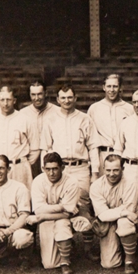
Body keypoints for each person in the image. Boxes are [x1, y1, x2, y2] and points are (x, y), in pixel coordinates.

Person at [43, 84, 101, 253]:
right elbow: (46, 148)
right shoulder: (51, 120)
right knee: (60, 205)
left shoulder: (84, 119)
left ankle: (89, 247)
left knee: (83, 205)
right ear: (57, 100)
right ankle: (65, 242)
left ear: (75, 98)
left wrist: (95, 173)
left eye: (70, 97)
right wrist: (46, 172)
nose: (66, 101)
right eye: (63, 98)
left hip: (80, 168)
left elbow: (93, 147)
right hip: (59, 169)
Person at [26, 152, 84, 274]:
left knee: (62, 225)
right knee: (49, 264)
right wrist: (60, 207)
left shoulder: (72, 182)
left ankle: (65, 262)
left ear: (62, 168)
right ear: (43, 169)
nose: (51, 173)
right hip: (46, 219)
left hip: (62, 219)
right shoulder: (38, 181)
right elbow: (38, 209)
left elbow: (67, 214)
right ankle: (65, 244)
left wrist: (42, 216)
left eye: (55, 169)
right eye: (48, 169)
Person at [89, 154, 138, 273]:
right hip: (108, 223)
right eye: (108, 170)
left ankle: (130, 261)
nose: (112, 174)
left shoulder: (131, 183)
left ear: (122, 169)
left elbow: (130, 211)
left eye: (116, 170)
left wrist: (124, 213)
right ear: (103, 169)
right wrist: (123, 211)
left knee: (124, 222)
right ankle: (128, 243)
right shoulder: (96, 186)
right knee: (109, 264)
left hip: (131, 220)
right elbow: (102, 215)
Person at [0, 86, 42, 190]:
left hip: (20, 168)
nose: (5, 103)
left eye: (9, 100)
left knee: (22, 200)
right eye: (2, 100)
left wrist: (23, 163)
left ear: (14, 101)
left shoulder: (26, 120)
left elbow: (35, 149)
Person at [87, 74, 134, 175]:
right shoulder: (94, 108)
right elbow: (90, 138)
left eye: (115, 86)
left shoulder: (129, 109)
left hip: (123, 155)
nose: (111, 90)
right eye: (109, 86)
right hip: (102, 155)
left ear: (121, 88)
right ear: (104, 87)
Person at [20, 80, 59, 179]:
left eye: (39, 94)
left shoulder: (57, 111)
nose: (36, 98)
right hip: (31, 160)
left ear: (46, 93)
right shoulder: (22, 113)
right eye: (33, 95)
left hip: (51, 159)